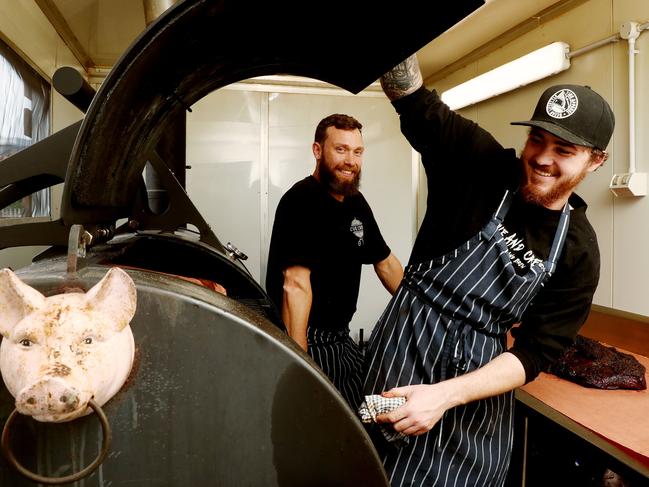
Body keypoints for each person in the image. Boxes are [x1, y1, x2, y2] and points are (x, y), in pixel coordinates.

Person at [362, 54, 614, 486]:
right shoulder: (478, 165)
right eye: (537, 139)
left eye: (564, 150)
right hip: (399, 361)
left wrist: (443, 396)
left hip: (471, 405)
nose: (541, 158)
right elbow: (413, 98)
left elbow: (534, 352)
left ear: (595, 161)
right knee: (363, 470)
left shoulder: (578, 250)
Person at [266, 113, 403, 410]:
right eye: (340, 149)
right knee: (330, 423)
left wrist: (424, 313)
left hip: (340, 338)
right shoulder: (300, 202)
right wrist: (300, 364)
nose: (350, 161)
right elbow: (295, 286)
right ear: (318, 151)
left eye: (357, 152)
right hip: (309, 339)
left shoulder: (355, 202)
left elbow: (386, 263)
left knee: (374, 405)